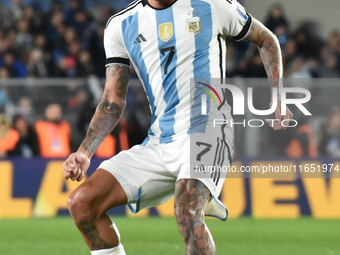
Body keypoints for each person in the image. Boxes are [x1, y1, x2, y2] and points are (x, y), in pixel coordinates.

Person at [63, 0, 292, 254]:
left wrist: (278, 97)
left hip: (210, 129)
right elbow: (112, 101)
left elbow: (267, 39)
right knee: (82, 204)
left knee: (187, 209)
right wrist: (84, 152)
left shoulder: (211, 5)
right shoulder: (121, 25)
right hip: (160, 141)